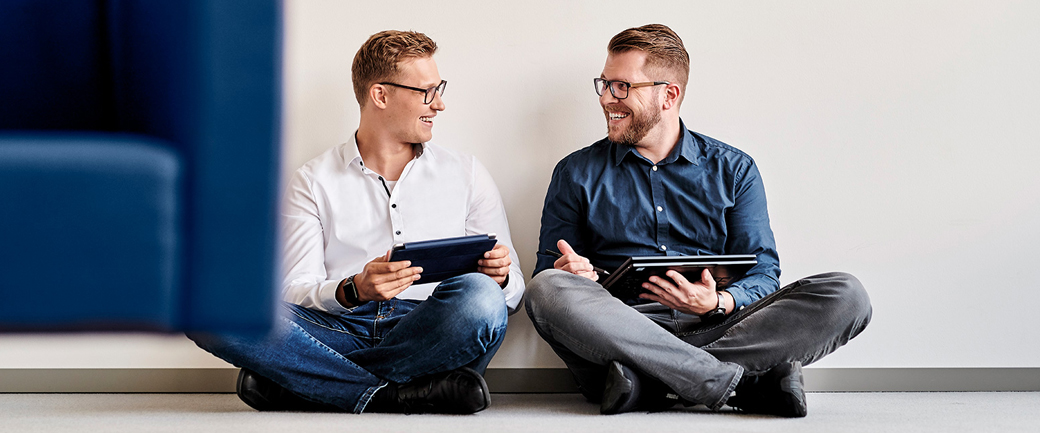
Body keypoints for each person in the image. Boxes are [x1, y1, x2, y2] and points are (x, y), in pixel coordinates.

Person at [524, 24, 872, 418]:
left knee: (847, 294)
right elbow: (547, 278)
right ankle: (739, 385)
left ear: (668, 95)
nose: (606, 99)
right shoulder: (575, 172)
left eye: (621, 87)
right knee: (547, 289)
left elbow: (763, 273)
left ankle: (649, 383)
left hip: (717, 326)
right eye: (603, 84)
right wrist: (573, 274)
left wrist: (719, 301)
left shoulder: (735, 170)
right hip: (620, 329)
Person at [189, 30, 525, 414]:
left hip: (433, 330)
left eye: (439, 88)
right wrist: (354, 290)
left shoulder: (466, 173)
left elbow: (510, 295)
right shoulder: (313, 180)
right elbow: (293, 290)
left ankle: (306, 384)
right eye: (426, 92)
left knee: (480, 299)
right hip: (340, 331)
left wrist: (499, 276)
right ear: (380, 95)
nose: (440, 104)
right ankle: (397, 394)